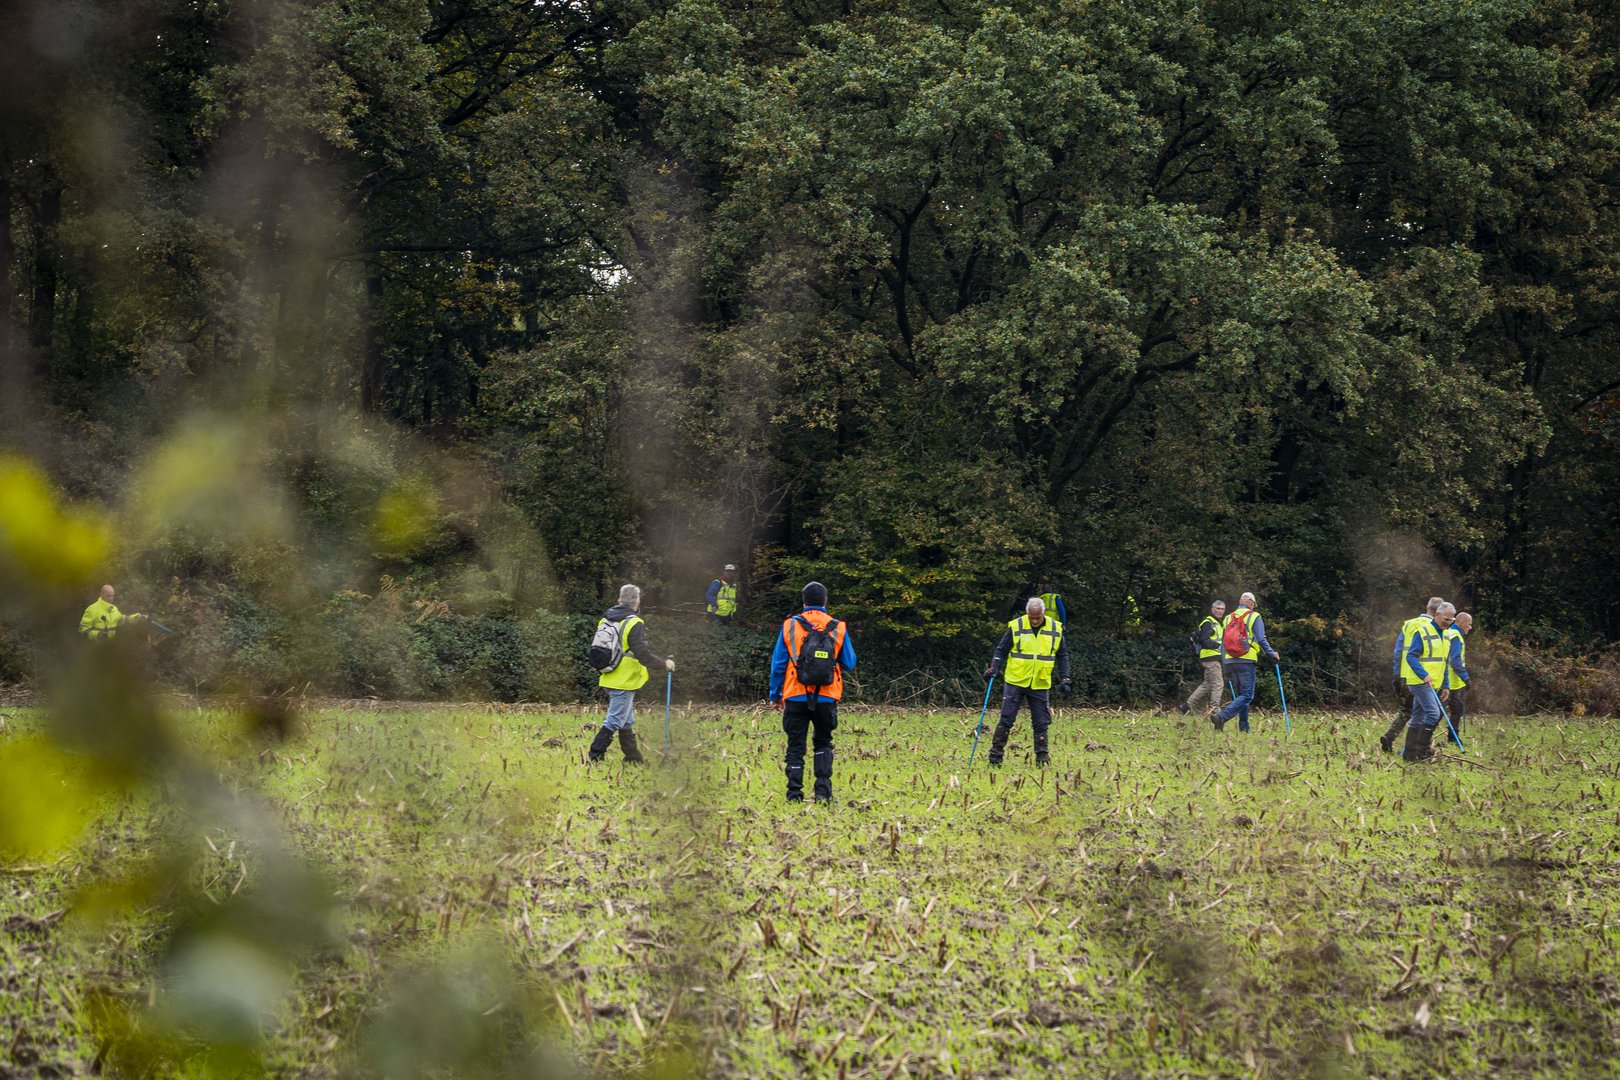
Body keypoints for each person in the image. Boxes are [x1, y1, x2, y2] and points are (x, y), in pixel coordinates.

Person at [769, 581, 856, 803]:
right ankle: (823, 793)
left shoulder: (790, 625)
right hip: (827, 695)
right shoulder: (838, 626)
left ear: (804, 601)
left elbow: (778, 663)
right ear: (825, 601)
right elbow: (850, 662)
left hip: (795, 693)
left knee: (795, 744)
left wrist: (774, 695)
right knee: (823, 742)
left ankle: (794, 794)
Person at [589, 584, 673, 764]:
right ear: (638, 602)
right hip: (625, 681)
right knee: (614, 721)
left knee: (626, 721)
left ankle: (633, 758)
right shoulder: (635, 622)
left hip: (608, 674)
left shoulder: (606, 619)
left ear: (619, 600)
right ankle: (594, 756)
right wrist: (664, 664)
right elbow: (642, 654)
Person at [982, 597, 1070, 766]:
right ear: (1027, 613)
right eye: (1031, 617)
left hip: (1040, 682)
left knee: (1041, 722)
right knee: (1006, 719)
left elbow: (1062, 655)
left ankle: (1042, 759)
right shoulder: (1016, 626)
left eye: (1038, 617)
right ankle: (995, 759)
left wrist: (1065, 678)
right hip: (1016, 681)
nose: (1035, 621)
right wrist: (994, 668)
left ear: (1043, 613)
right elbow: (1001, 651)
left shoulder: (1055, 628)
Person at [1380, 596, 1446, 752]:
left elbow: (1398, 651)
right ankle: (1414, 748)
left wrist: (1396, 674)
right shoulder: (1436, 628)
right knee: (1426, 713)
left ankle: (1391, 737)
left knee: (1408, 710)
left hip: (1404, 675)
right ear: (1438, 613)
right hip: (1423, 678)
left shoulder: (1409, 624)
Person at [1211, 592, 1278, 733]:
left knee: (1242, 694)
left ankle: (1244, 727)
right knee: (1247, 695)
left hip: (1229, 660)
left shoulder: (1228, 617)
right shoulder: (1254, 616)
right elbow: (1261, 638)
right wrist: (1272, 654)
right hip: (1246, 659)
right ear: (1251, 603)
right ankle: (1221, 717)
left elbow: (1223, 643)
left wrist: (1225, 665)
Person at [1397, 602, 1455, 762]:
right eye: (1446, 619)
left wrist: (1446, 685)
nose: (1448, 622)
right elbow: (1410, 656)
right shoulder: (1422, 632)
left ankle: (1408, 754)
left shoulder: (1447, 635)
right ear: (1437, 615)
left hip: (1434, 684)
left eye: (1451, 620)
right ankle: (1421, 752)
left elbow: (1444, 662)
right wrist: (1423, 674)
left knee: (1417, 717)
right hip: (1419, 681)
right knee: (1433, 714)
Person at [1178, 599, 1227, 715]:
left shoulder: (1217, 623)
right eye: (1218, 609)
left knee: (1207, 684)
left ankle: (1187, 705)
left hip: (1210, 658)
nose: (1220, 611)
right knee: (1218, 684)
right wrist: (1219, 646)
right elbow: (1204, 640)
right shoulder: (1208, 622)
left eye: (1222, 609)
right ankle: (1215, 710)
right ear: (1212, 609)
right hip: (1211, 658)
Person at [79, 584, 146, 641]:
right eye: (108, 596)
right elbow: (83, 630)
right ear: (101, 594)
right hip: (95, 646)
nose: (111, 598)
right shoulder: (92, 609)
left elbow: (122, 619)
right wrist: (98, 635)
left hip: (112, 646)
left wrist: (137, 617)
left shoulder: (113, 609)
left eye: (112, 596)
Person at [1443, 611, 1472, 736]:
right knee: (1450, 711)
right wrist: (1466, 678)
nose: (1470, 628)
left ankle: (1453, 737)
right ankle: (1452, 737)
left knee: (1456, 709)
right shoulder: (1456, 637)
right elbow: (1455, 661)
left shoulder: (1448, 633)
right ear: (1461, 623)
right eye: (1469, 624)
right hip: (1452, 682)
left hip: (1446, 680)